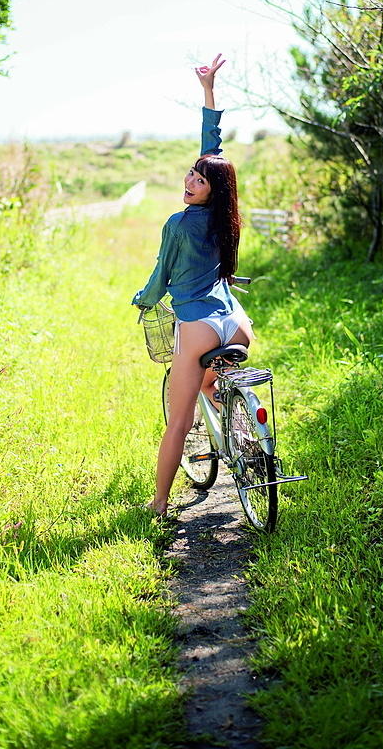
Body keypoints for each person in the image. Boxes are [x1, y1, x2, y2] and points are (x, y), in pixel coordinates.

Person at [132, 53, 253, 517]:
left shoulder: (179, 224)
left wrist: (142, 299)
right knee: (212, 382)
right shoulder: (227, 216)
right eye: (190, 173)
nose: (189, 179)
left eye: (198, 179)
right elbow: (213, 150)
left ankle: (159, 504)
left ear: (208, 188)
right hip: (235, 324)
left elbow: (160, 279)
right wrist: (208, 91)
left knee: (177, 422)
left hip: (198, 325)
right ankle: (244, 434)